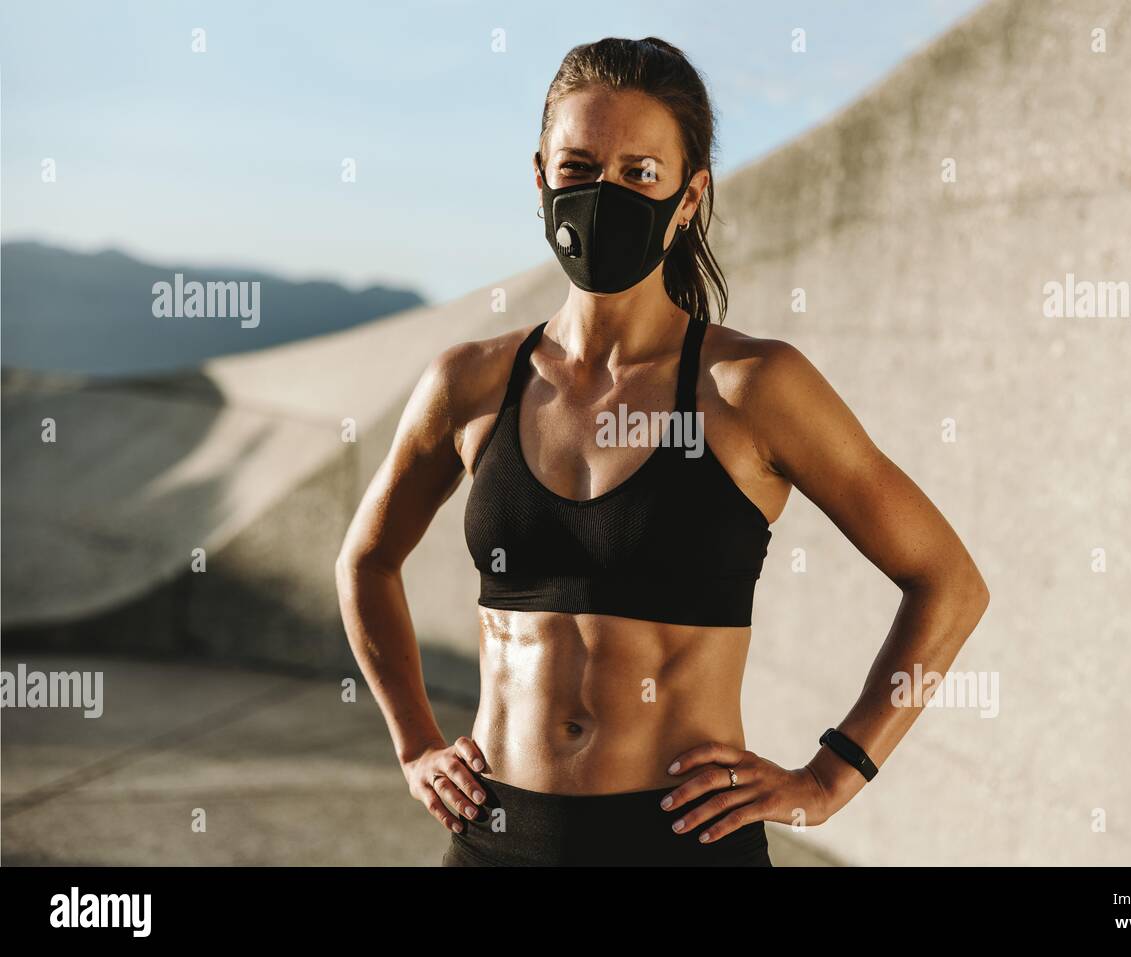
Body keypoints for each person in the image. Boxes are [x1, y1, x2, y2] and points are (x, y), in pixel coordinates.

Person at [335, 36, 989, 867]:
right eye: (578, 167)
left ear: (688, 197)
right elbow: (365, 560)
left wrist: (833, 774)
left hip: (681, 847)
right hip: (495, 841)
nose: (602, 195)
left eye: (640, 173)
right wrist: (415, 744)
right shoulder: (468, 383)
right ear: (540, 175)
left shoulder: (752, 388)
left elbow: (949, 582)